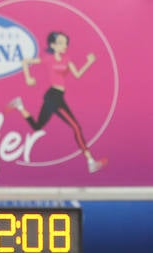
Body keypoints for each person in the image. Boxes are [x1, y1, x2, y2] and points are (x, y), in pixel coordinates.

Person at [8, 30, 107, 173]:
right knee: (76, 127)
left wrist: (89, 62)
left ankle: (19, 105)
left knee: (37, 127)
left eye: (65, 43)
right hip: (53, 96)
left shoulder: (67, 59)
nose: (64, 45)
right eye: (61, 43)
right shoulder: (48, 58)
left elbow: (77, 74)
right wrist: (28, 78)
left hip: (57, 96)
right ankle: (90, 161)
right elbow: (25, 61)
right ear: (53, 45)